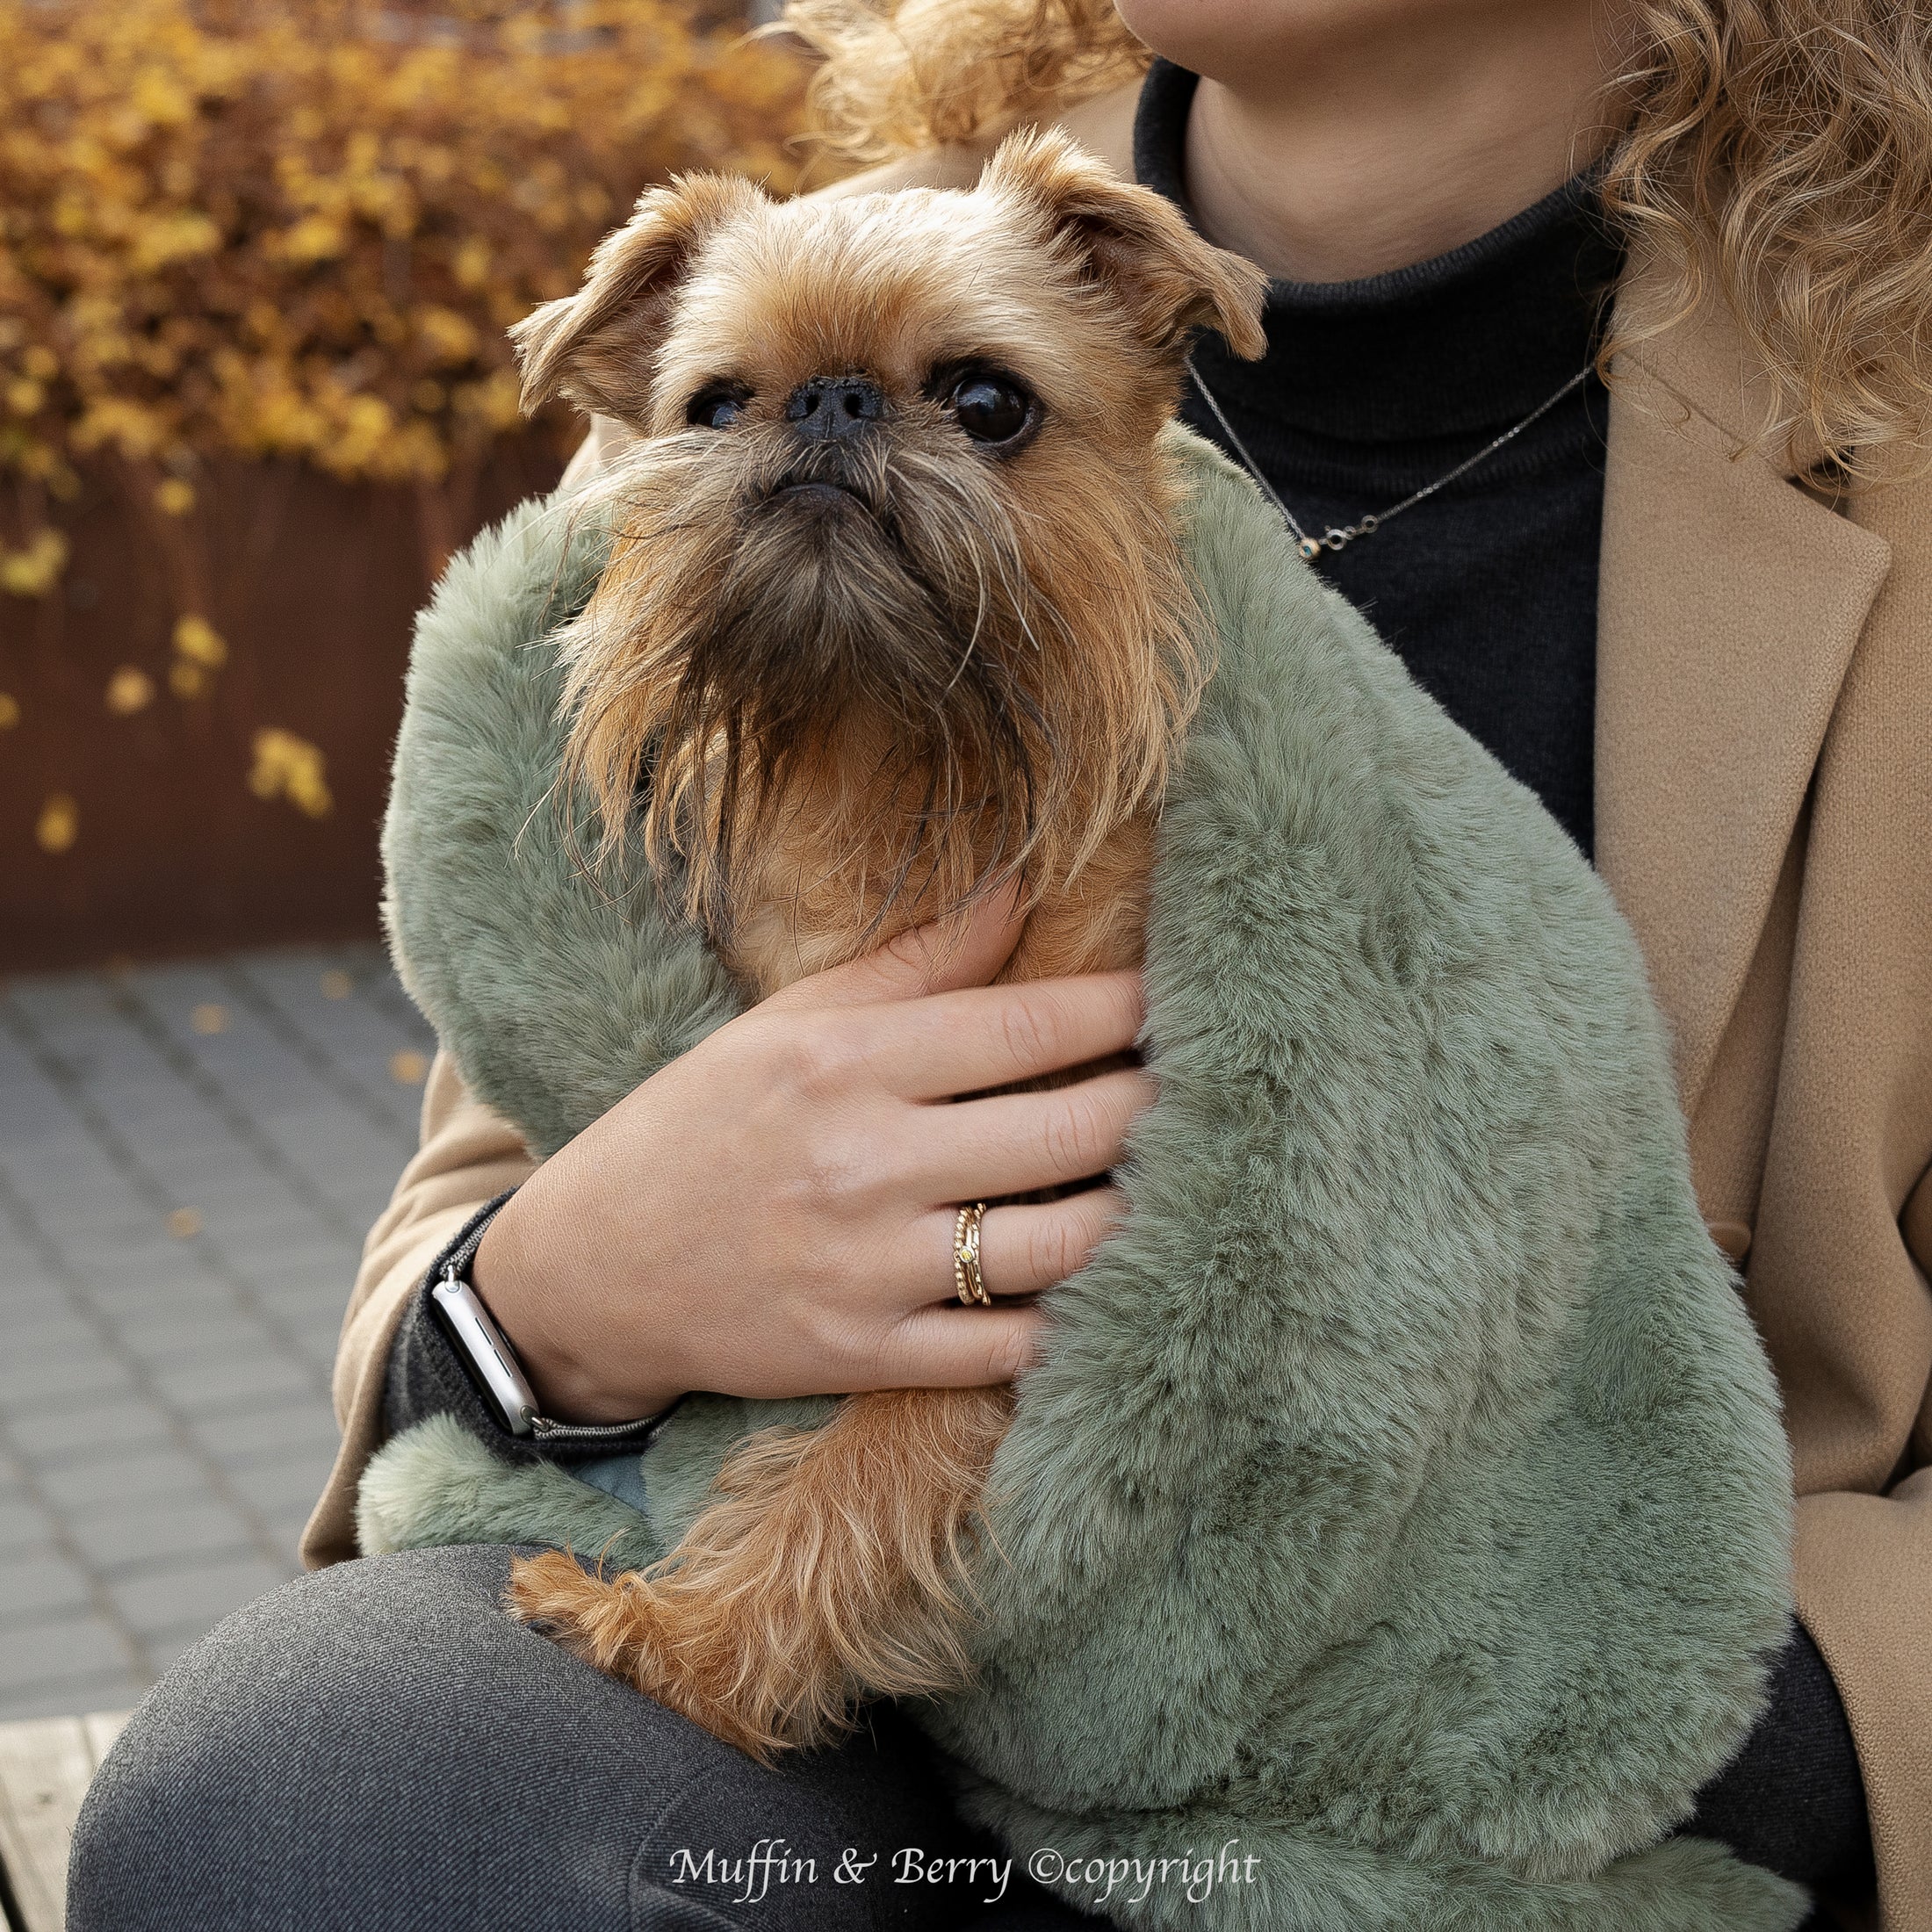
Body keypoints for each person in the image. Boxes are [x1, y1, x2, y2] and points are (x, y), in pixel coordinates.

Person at [69, 2, 1932, 1927]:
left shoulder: (1887, 408)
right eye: (726, 408)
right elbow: (476, 1188)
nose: (820, 434)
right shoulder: (818, 263)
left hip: (1511, 1757)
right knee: (310, 1801)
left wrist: (1641, 1691)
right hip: (801, 1697)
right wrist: (558, 1298)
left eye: (980, 402)